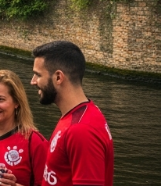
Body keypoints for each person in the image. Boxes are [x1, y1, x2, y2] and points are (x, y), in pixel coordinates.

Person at [31, 41, 114, 186]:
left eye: (38, 75)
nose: (33, 81)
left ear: (58, 77)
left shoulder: (81, 130)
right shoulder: (79, 114)